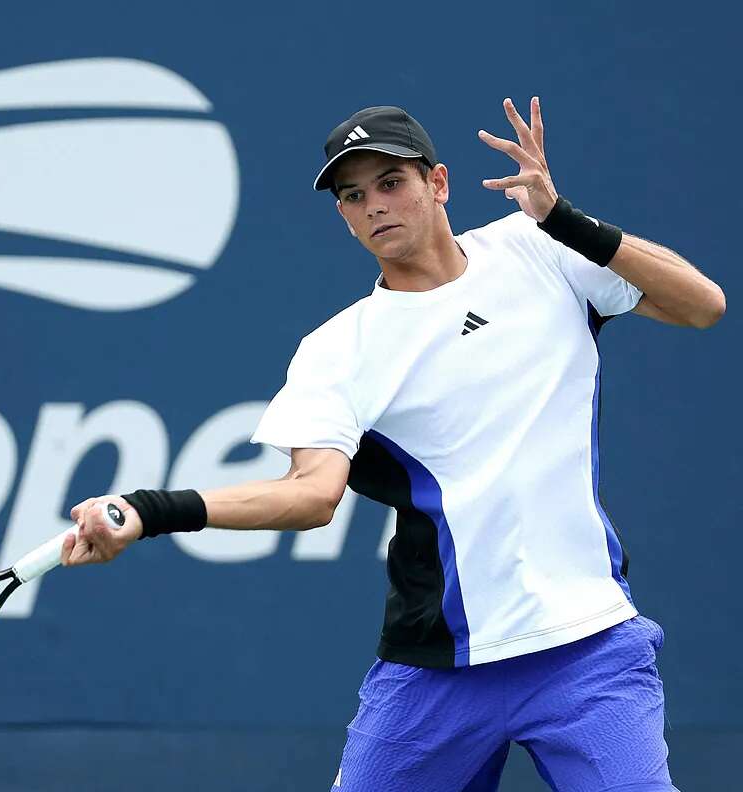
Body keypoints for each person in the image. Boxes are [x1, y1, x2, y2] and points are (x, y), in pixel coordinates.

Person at [60, 97, 726, 790]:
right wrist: (149, 510)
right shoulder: (338, 351)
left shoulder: (542, 248)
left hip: (587, 650)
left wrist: (563, 218)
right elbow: (311, 495)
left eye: (390, 182)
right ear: (344, 217)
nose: (374, 204)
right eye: (353, 195)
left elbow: (702, 305)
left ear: (438, 184)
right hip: (435, 671)